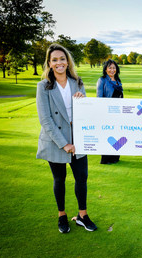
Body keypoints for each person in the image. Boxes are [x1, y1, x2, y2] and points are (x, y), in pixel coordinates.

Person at [36, 43, 97, 234]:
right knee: (59, 179)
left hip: (78, 138)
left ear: (67, 61)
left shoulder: (77, 82)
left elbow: (85, 112)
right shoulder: (43, 86)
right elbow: (45, 120)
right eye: (54, 60)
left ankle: (82, 216)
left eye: (62, 59)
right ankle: (62, 216)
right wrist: (64, 144)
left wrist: (81, 99)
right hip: (56, 141)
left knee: (82, 177)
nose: (59, 62)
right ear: (49, 63)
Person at [97, 59, 123, 164]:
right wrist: (104, 111)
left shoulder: (118, 80)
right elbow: (99, 97)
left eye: (114, 68)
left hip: (118, 112)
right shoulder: (102, 80)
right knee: (107, 135)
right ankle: (106, 158)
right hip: (107, 112)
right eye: (110, 68)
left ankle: (115, 157)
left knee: (117, 133)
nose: (112, 70)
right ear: (105, 69)